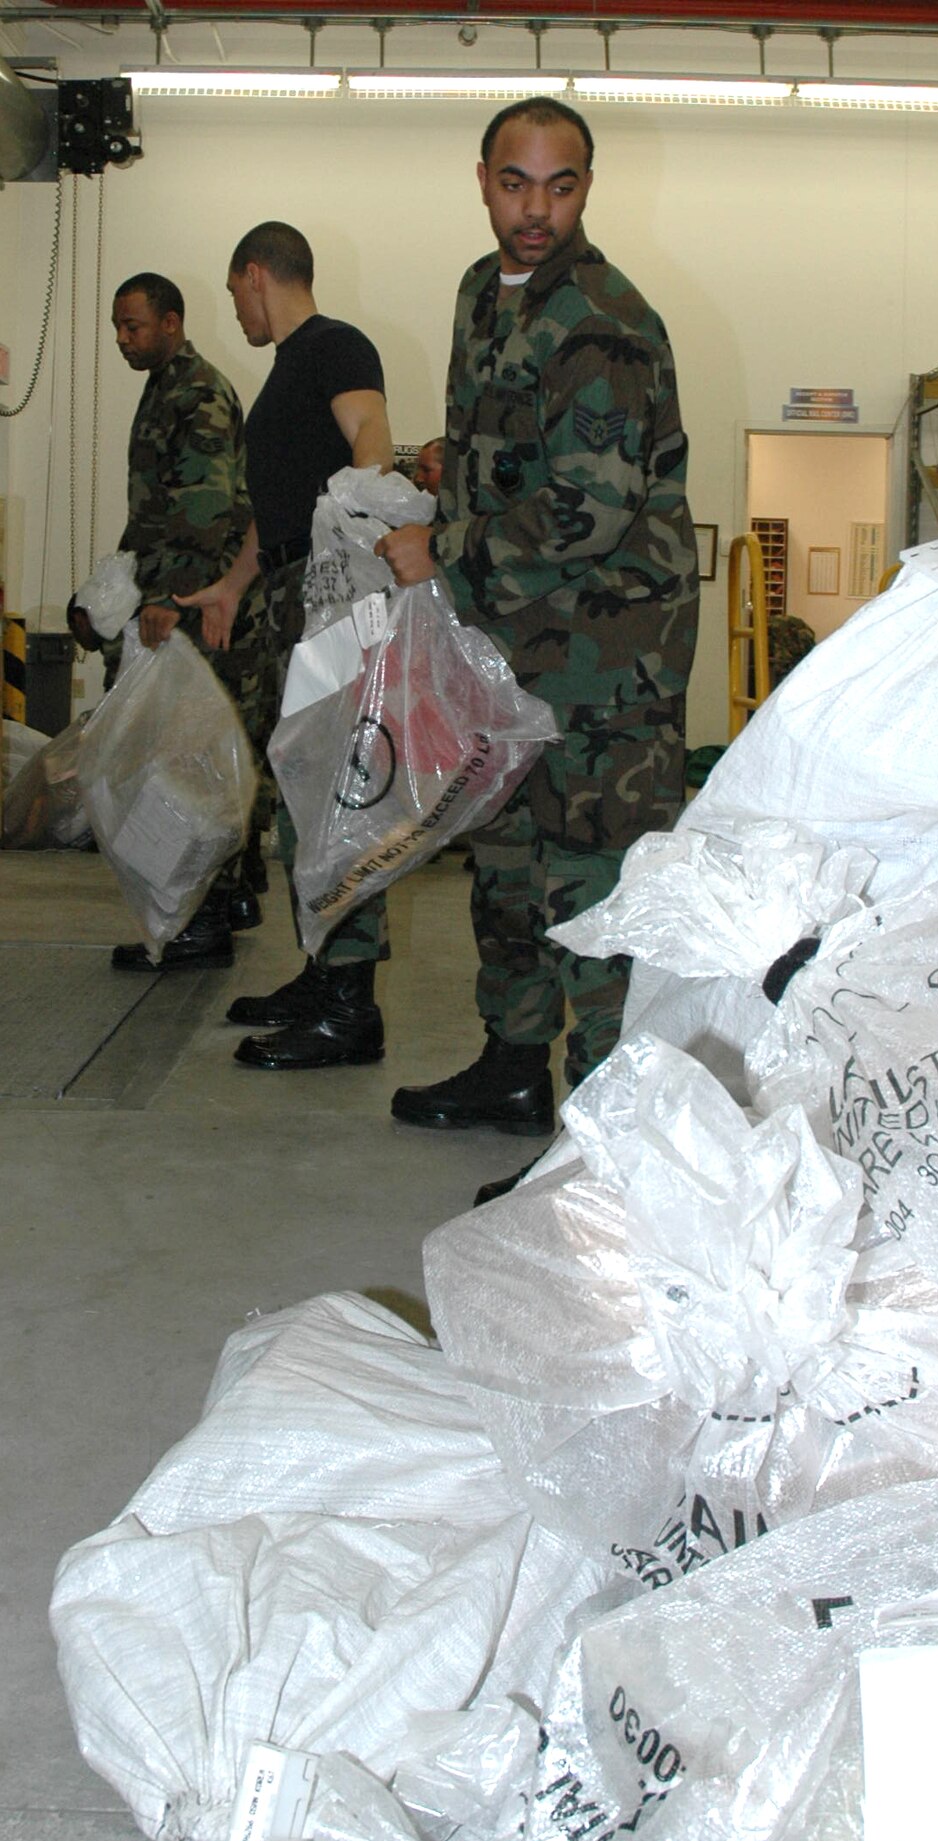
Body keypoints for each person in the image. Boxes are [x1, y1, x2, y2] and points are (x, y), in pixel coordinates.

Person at [379, 97, 699, 1159]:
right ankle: (514, 1068)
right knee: (508, 867)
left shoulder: (600, 319)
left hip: (603, 670)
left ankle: (602, 1154)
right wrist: (450, 468)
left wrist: (448, 547)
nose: (535, 210)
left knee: (595, 897)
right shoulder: (485, 295)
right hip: (510, 651)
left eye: (559, 187)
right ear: (481, 179)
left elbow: (587, 509)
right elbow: (510, 444)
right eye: (515, 183)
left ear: (585, 191)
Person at [178, 221, 395, 1070]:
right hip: (289, 597)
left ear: (255, 274)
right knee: (306, 796)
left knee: (340, 796)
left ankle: (351, 1009)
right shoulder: (288, 371)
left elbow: (371, 443)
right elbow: (280, 509)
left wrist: (351, 568)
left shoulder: (332, 347)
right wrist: (236, 584)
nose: (235, 311)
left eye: (234, 294)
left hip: (327, 604)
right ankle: (322, 971)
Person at [100, 272, 275, 966]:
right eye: (117, 326)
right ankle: (227, 898)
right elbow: (158, 509)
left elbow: (202, 511)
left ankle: (199, 921)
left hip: (200, 605)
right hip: (190, 597)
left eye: (133, 326)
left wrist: (166, 601)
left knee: (191, 764)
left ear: (170, 322)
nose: (122, 338)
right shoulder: (167, 385)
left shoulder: (194, 390)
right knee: (207, 754)